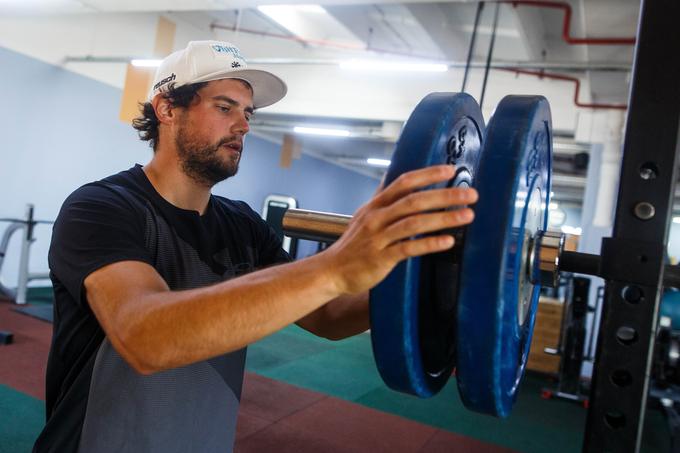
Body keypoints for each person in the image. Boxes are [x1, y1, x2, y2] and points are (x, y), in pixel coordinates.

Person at [33, 40, 478, 452]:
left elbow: (330, 314)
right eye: (225, 107)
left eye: (247, 112)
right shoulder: (101, 208)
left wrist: (427, 273)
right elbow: (146, 338)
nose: (244, 125)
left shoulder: (242, 224)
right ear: (167, 108)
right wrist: (335, 267)